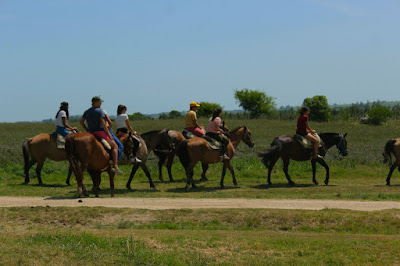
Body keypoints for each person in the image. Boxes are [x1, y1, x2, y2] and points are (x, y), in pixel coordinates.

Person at [80, 96, 123, 175]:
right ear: (96, 102)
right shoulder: (100, 111)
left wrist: (87, 130)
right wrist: (109, 134)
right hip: (101, 132)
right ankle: (115, 166)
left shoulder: (86, 111)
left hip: (91, 133)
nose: (101, 104)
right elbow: (103, 123)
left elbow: (81, 122)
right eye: (100, 102)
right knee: (115, 146)